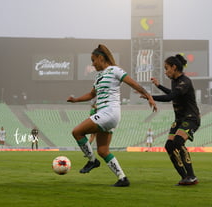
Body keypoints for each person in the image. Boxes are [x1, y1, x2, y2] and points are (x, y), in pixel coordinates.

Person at [67, 44, 157, 187]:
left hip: (109, 113)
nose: (92, 64)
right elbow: (91, 95)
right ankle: (122, 178)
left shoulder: (115, 70)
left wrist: (148, 96)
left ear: (101, 58)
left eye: (93, 60)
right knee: (103, 151)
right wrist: (75, 100)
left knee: (77, 132)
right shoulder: (98, 77)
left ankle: (92, 161)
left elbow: (133, 84)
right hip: (106, 114)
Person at [143, 54, 200, 185]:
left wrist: (150, 96)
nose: (165, 71)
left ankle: (192, 176)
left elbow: (170, 97)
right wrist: (159, 86)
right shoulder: (175, 81)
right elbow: (173, 94)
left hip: (191, 118)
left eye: (166, 68)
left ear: (174, 67)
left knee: (178, 142)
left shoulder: (185, 81)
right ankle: (185, 177)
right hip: (179, 119)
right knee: (169, 146)